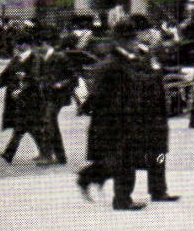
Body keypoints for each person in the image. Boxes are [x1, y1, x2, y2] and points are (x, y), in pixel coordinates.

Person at [76, 16, 177, 209]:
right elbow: (102, 94)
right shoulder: (115, 62)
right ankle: (116, 194)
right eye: (134, 38)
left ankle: (158, 189)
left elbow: (153, 76)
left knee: (158, 153)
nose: (138, 41)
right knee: (125, 158)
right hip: (127, 117)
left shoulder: (144, 55)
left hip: (152, 113)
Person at [0, 37, 47, 163]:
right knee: (28, 127)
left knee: (23, 126)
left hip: (30, 98)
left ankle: (9, 153)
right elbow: (6, 74)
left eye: (21, 44)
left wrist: (23, 84)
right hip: (17, 99)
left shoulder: (35, 59)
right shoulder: (16, 59)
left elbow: (36, 78)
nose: (18, 46)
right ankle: (44, 153)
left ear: (28, 45)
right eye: (17, 44)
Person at [37, 30, 79, 165]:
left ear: (46, 44)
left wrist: (61, 84)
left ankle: (47, 155)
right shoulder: (42, 58)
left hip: (58, 95)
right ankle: (60, 156)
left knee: (48, 121)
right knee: (52, 124)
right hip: (47, 95)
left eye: (40, 45)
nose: (38, 48)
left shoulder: (60, 57)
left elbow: (74, 77)